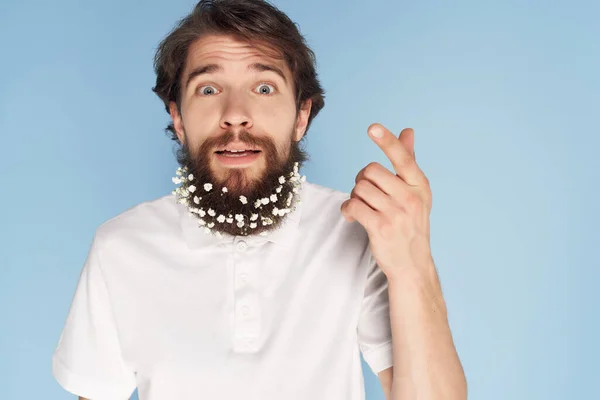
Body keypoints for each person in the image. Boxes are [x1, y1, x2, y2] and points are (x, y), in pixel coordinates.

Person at [52, 0, 466, 399]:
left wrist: (414, 265)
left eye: (264, 87)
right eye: (209, 88)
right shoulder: (120, 248)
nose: (236, 113)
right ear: (178, 118)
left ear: (301, 116)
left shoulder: (359, 232)